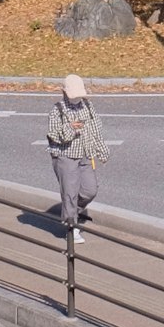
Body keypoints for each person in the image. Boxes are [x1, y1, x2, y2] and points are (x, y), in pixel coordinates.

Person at [47, 74, 110, 243]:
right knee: (70, 192)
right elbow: (54, 136)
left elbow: (96, 131)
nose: (77, 99)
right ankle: (71, 227)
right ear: (64, 92)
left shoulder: (88, 107)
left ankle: (72, 212)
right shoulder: (57, 110)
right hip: (65, 156)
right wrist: (71, 129)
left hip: (85, 154)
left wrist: (102, 151)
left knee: (90, 190)